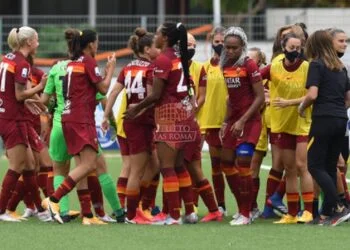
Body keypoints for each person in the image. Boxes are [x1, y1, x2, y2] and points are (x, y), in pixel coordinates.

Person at [124, 22, 198, 225]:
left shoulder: (162, 61)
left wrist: (135, 109)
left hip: (169, 117)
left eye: (157, 33)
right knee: (179, 165)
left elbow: (155, 95)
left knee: (167, 168)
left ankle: (173, 216)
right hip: (185, 116)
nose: (154, 36)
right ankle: (189, 212)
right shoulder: (178, 58)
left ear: (164, 37)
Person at [42, 29, 116, 224]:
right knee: (90, 164)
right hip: (80, 119)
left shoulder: (70, 65)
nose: (98, 45)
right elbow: (103, 89)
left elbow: (48, 100)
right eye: (97, 42)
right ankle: (54, 199)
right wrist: (110, 72)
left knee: (83, 165)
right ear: (91, 44)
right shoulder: (88, 62)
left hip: (66, 117)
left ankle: (87, 215)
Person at [102, 27, 160, 224]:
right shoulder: (150, 69)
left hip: (133, 122)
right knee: (136, 170)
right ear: (146, 50)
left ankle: (137, 207)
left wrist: (105, 116)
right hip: (141, 122)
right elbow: (151, 97)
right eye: (156, 47)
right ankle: (133, 213)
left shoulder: (127, 68)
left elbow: (113, 93)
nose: (159, 50)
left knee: (154, 165)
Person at [261, 33, 314, 224]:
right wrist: (262, 96)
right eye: (292, 48)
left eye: (299, 48)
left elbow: (311, 95)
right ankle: (291, 214)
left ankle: (308, 211)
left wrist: (288, 103)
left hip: (301, 123)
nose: (296, 51)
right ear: (283, 48)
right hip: (281, 124)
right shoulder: (275, 65)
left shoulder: (307, 67)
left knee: (301, 166)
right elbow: (254, 80)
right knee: (289, 169)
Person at [299, 30, 350, 226]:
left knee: (314, 165)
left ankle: (339, 207)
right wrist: (337, 111)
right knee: (329, 166)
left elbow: (312, 94)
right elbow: (348, 99)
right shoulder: (341, 68)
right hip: (340, 120)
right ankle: (328, 212)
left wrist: (301, 108)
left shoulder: (317, 64)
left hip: (323, 120)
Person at [0, 26, 51, 222]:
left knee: (30, 165)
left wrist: (31, 101)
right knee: (17, 165)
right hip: (14, 119)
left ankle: (39, 209)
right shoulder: (22, 63)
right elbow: (19, 94)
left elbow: (13, 94)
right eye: (37, 40)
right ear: (28, 42)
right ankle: (2, 210)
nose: (38, 43)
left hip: (6, 115)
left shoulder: (8, 58)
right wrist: (40, 86)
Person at [220, 27, 265, 225]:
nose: (230, 51)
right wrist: (226, 120)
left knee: (244, 162)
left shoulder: (249, 65)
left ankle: (246, 214)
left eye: (234, 48)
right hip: (234, 121)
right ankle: (243, 208)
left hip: (250, 120)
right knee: (227, 164)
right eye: (227, 47)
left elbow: (260, 97)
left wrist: (242, 120)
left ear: (242, 47)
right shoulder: (226, 65)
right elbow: (232, 98)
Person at [197, 27, 228, 213]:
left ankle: (247, 206)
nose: (220, 45)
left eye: (223, 41)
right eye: (217, 42)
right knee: (216, 167)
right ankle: (221, 204)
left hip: (231, 124)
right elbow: (200, 96)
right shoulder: (205, 68)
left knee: (234, 166)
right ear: (211, 43)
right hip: (210, 123)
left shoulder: (235, 67)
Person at [247, 47, 267, 218]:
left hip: (259, 127)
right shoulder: (242, 77)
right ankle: (249, 207)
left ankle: (252, 208)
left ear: (259, 62)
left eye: (252, 59)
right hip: (243, 126)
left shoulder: (263, 79)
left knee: (253, 169)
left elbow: (263, 102)